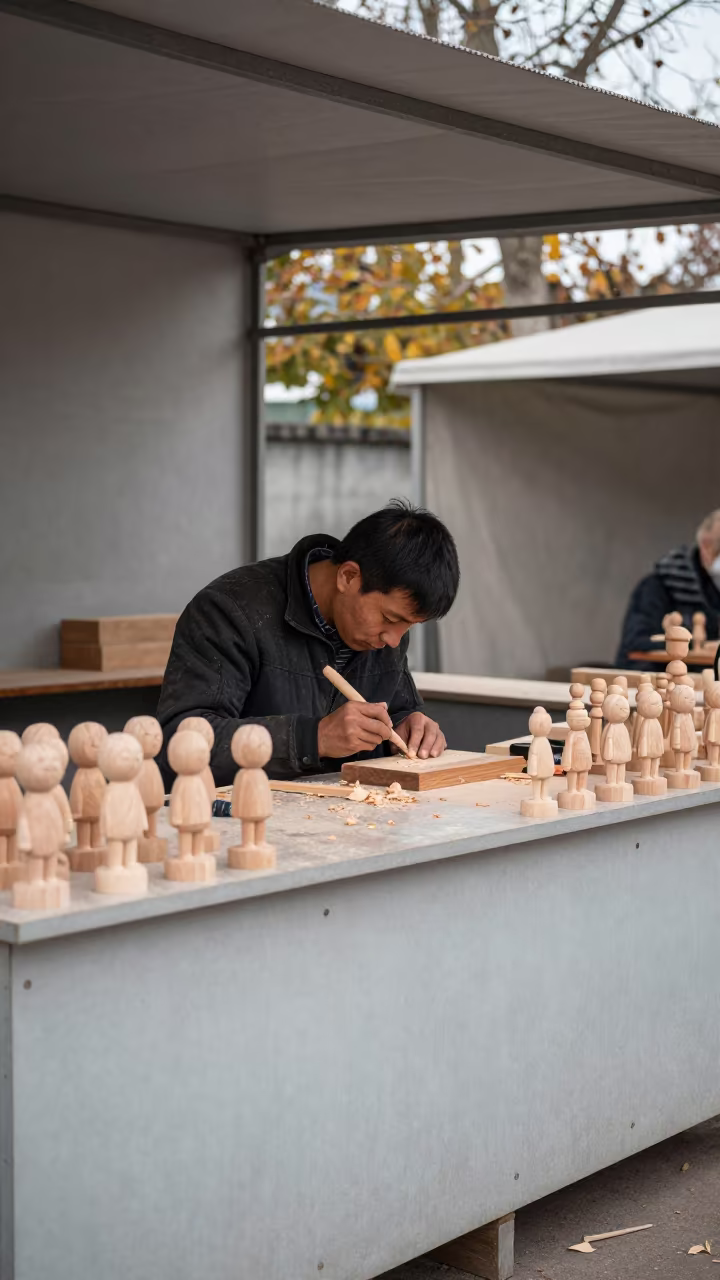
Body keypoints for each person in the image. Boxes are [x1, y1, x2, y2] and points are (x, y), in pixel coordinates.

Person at [157, 501, 460, 786]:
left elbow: (397, 712)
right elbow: (180, 739)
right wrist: (313, 738)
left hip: (354, 818)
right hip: (241, 820)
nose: (394, 640)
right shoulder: (229, 610)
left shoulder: (385, 635)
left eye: (409, 627)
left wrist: (410, 724)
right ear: (348, 576)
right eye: (390, 619)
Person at [616, 510, 720, 665]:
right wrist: (695, 645)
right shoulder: (658, 588)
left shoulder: (715, 590)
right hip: (652, 681)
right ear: (706, 545)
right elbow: (635, 643)